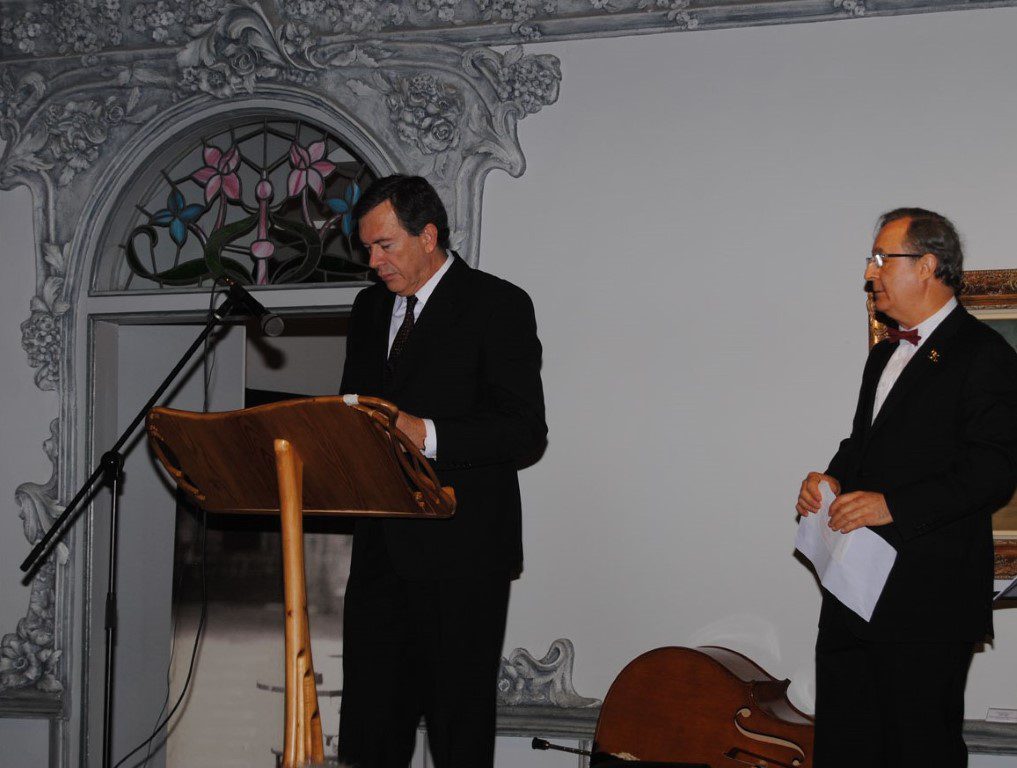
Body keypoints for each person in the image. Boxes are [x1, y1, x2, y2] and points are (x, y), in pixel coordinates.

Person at [336, 175, 547, 768]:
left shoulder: (497, 304)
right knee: (371, 733)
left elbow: (525, 429)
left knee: (457, 733)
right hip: (380, 552)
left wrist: (423, 432)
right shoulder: (368, 308)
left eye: (385, 246)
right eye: (367, 248)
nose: (373, 261)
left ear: (428, 236)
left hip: (463, 553)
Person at [796, 208, 1017, 768]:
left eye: (880, 259)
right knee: (846, 745)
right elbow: (863, 445)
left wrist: (892, 506)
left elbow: (993, 471)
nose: (870, 273)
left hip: (927, 598)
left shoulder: (985, 355)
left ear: (928, 265)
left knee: (917, 750)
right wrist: (830, 479)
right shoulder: (882, 355)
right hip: (853, 591)